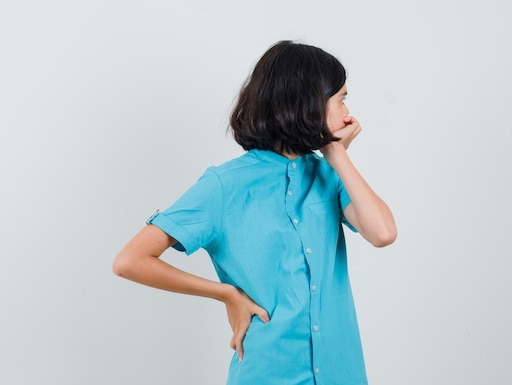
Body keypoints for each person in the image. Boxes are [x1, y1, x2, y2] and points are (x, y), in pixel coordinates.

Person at [112, 40, 397, 385]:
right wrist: (226, 294)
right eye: (341, 99)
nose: (349, 114)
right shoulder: (224, 185)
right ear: (307, 102)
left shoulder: (330, 176)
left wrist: (336, 155)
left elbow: (383, 233)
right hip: (268, 374)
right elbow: (130, 260)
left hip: (343, 374)